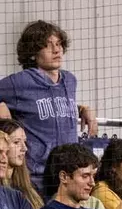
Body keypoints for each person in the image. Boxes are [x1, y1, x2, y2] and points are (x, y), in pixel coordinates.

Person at [0, 21, 97, 186]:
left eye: (59, 44)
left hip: (68, 175)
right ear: (33, 53)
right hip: (36, 177)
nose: (56, 50)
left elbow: (54, 106)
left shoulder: (70, 80)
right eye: (48, 45)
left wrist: (82, 108)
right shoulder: (20, 82)